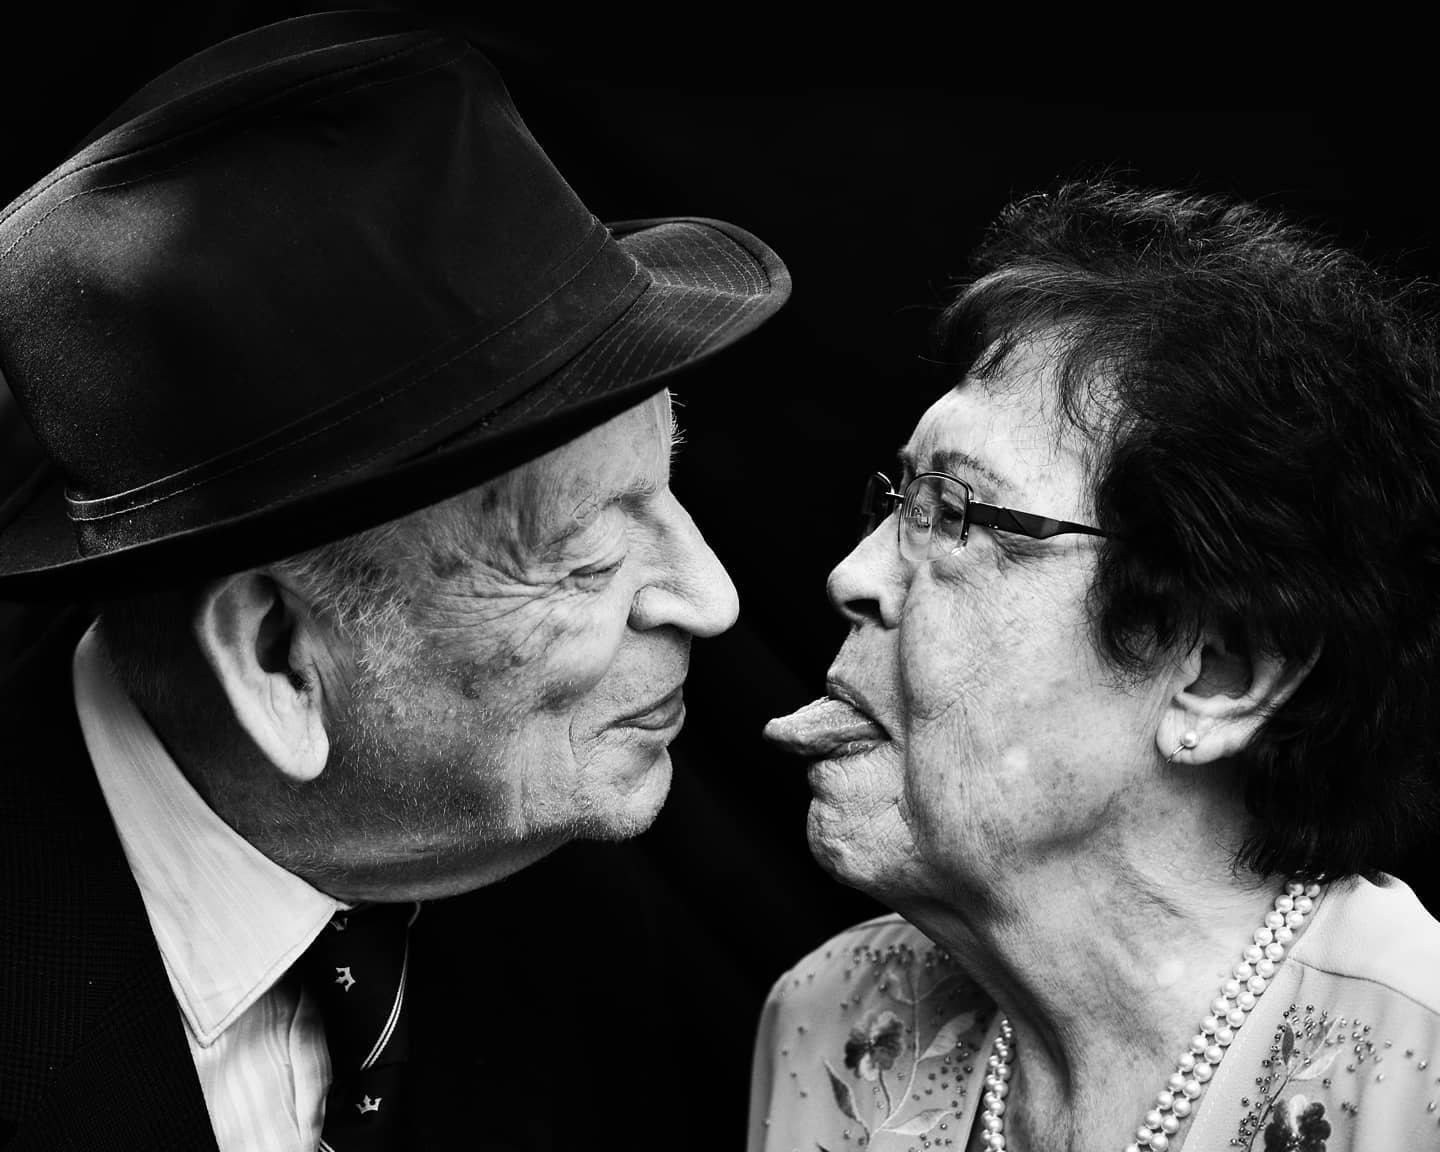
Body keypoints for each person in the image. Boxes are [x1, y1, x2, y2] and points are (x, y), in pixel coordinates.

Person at [0, 10, 789, 1150]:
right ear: (279, 656)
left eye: (665, 485)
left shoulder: (578, 911)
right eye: (588, 554)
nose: (710, 597)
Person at [751, 182, 1440, 1152]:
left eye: (954, 513)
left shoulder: (1420, 1072)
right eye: (897, 498)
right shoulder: (830, 1022)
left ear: (1221, 677)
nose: (851, 576)